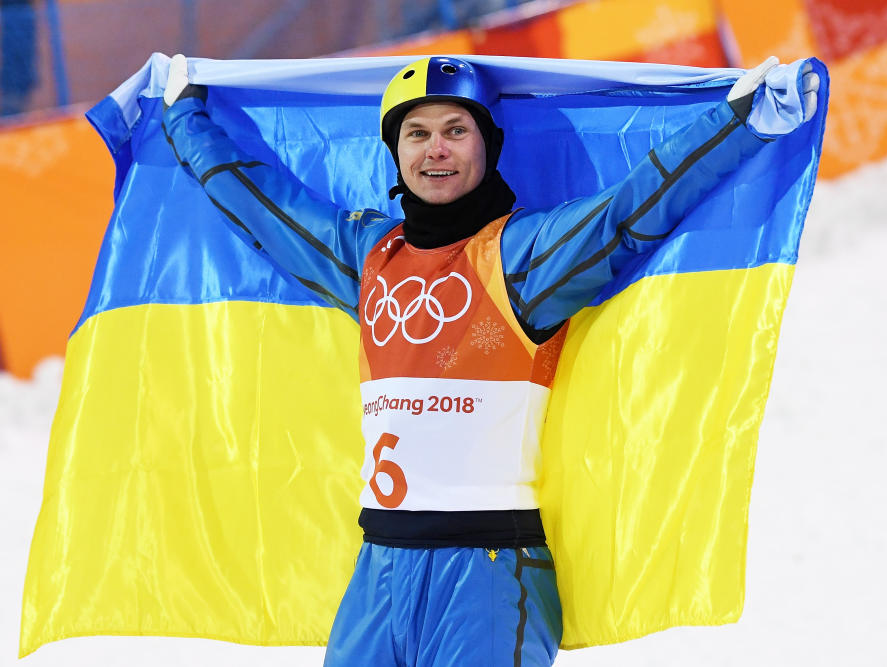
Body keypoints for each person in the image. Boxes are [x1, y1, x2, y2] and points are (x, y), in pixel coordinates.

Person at [162, 53, 819, 666]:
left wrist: (743, 123)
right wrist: (184, 115)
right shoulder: (369, 258)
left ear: (487, 145)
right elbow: (261, 207)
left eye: (456, 129)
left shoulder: (519, 258)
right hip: (379, 571)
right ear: (394, 154)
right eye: (416, 134)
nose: (436, 148)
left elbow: (628, 213)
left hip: (489, 569)